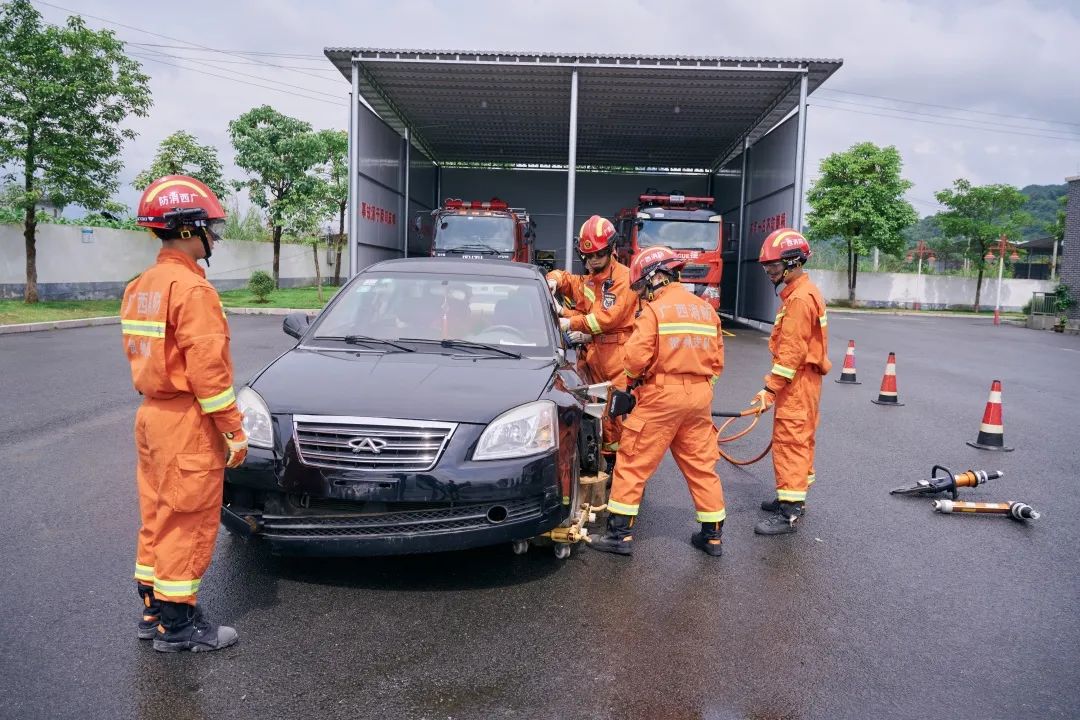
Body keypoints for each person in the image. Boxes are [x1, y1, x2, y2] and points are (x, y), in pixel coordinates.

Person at [122, 175, 246, 652]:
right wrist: (233, 431)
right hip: (185, 422)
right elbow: (209, 375)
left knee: (157, 513)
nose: (214, 236)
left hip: (152, 417)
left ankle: (152, 610)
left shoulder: (141, 286)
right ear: (188, 229)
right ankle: (178, 625)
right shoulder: (193, 290)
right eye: (210, 227)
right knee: (187, 519)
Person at [589, 246, 727, 557]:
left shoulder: (654, 312)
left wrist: (633, 383)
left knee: (632, 461)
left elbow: (634, 360)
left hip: (661, 397)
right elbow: (717, 362)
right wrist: (699, 390)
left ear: (655, 277)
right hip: (699, 397)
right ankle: (712, 536)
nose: (642, 295)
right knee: (702, 466)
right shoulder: (706, 311)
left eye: (642, 288)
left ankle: (619, 535)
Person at [750, 228, 831, 536]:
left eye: (773, 265)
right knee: (799, 438)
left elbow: (791, 353)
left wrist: (770, 388)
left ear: (793, 262)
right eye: (766, 266)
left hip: (797, 381)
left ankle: (790, 511)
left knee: (791, 441)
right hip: (803, 381)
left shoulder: (799, 299)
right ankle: (793, 496)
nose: (769, 271)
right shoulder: (801, 292)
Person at [546, 216, 637, 466]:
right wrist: (554, 279)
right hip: (594, 354)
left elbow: (606, 319)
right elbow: (570, 282)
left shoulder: (623, 279)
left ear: (612, 249)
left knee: (616, 414)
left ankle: (620, 465)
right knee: (598, 412)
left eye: (598, 255)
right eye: (588, 256)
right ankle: (605, 461)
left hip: (618, 356)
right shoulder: (591, 279)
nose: (593, 260)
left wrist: (569, 322)